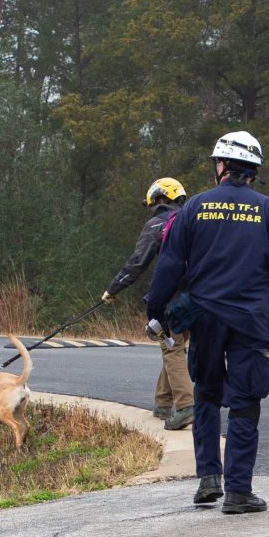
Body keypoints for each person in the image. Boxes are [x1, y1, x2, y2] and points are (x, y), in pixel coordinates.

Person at [142, 130, 269, 515]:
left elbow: (169, 264)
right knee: (246, 398)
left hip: (205, 319)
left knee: (206, 393)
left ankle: (208, 479)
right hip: (250, 320)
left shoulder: (194, 208)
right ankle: (238, 491)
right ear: (253, 169)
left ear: (221, 165)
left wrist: (155, 310)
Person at [101, 177, 195, 431]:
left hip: (175, 296)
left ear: (158, 199)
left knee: (172, 347)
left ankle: (186, 406)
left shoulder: (157, 224)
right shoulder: (195, 220)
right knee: (176, 345)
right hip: (205, 294)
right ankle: (163, 403)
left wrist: (113, 289)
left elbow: (137, 263)